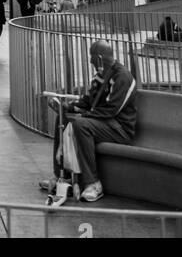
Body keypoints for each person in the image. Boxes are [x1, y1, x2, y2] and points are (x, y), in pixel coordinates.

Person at [40, 40, 138, 203]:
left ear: (99, 58)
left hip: (120, 128)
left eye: (92, 59)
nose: (91, 62)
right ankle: (62, 176)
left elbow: (111, 110)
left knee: (81, 125)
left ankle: (93, 183)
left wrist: (84, 115)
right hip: (103, 123)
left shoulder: (123, 77)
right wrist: (70, 107)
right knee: (62, 117)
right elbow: (89, 100)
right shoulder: (101, 75)